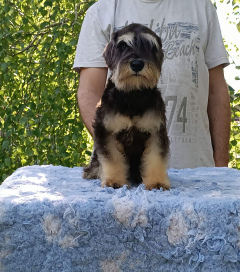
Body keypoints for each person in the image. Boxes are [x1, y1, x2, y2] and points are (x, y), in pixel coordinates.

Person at [73, 0, 231, 169]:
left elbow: (217, 91)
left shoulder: (202, 8)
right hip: (121, 175)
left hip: (197, 171)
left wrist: (221, 166)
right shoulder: (101, 12)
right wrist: (116, 152)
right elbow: (89, 92)